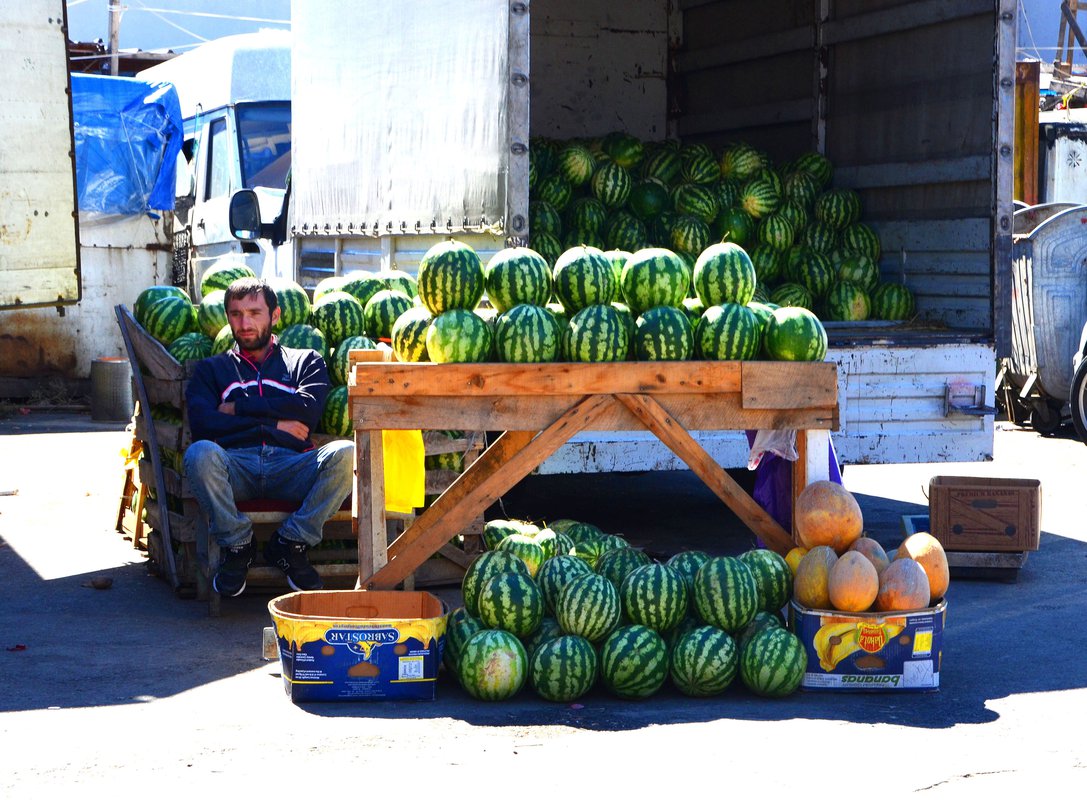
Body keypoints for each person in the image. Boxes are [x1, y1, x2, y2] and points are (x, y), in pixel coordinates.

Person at [183, 277, 354, 596]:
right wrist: (272, 426)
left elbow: (307, 410)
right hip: (236, 467)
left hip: (294, 467)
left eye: (254, 312)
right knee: (199, 454)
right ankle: (238, 545)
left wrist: (238, 408)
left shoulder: (306, 361)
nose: (244, 323)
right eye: (235, 314)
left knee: (346, 453)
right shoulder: (211, 370)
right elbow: (204, 424)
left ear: (275, 315)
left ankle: (291, 542)